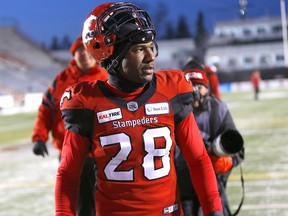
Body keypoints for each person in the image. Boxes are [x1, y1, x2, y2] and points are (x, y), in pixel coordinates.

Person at [55, 2, 223, 216]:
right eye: (138, 49)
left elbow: (198, 159)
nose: (150, 57)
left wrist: (214, 210)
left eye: (151, 47)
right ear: (111, 55)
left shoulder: (171, 89)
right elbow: (68, 174)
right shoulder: (87, 101)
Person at [32, 36, 108, 216]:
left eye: (87, 50)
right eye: (79, 51)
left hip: (102, 153)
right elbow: (45, 110)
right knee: (79, 205)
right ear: (73, 55)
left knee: (104, 203)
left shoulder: (106, 78)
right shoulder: (60, 81)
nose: (84, 54)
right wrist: (39, 138)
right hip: (70, 153)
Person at [175, 59, 245, 216]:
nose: (195, 92)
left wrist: (226, 162)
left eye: (199, 87)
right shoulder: (171, 109)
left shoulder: (218, 108)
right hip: (181, 191)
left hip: (213, 189)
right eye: (190, 87)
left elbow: (237, 149)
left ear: (206, 88)